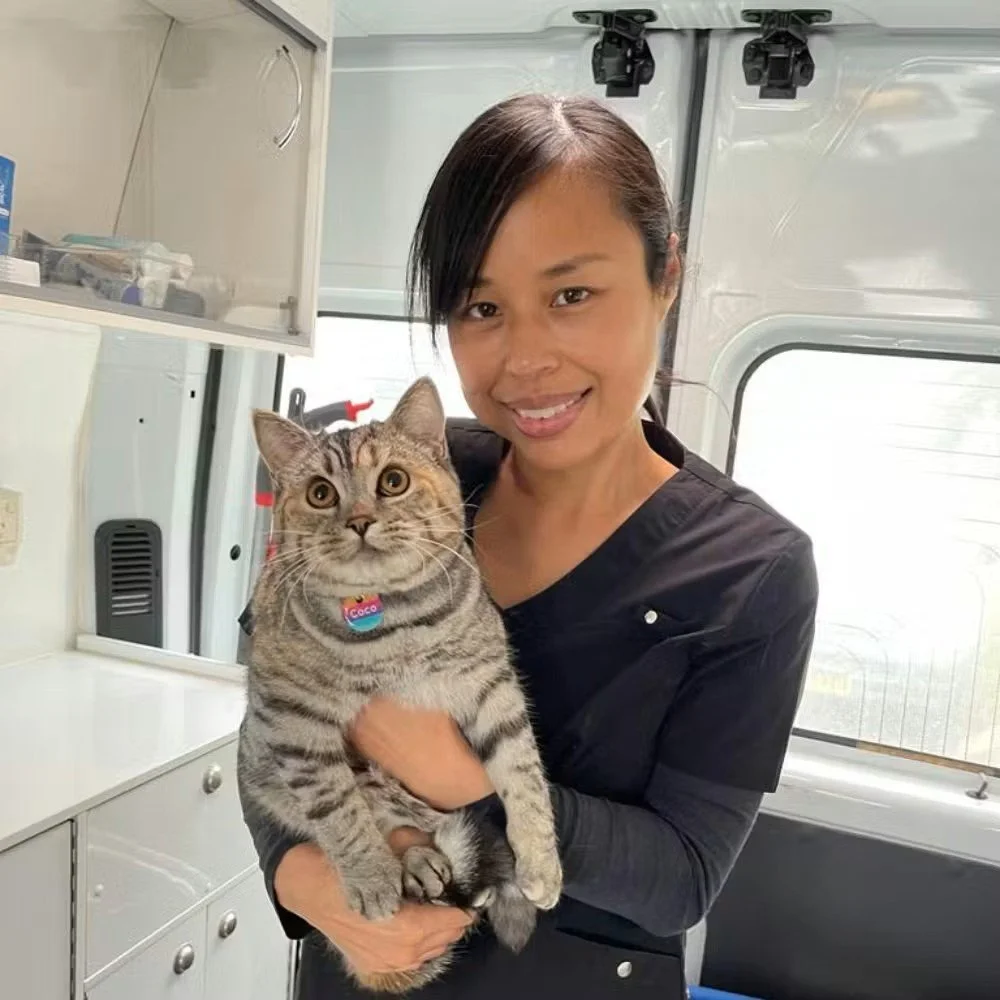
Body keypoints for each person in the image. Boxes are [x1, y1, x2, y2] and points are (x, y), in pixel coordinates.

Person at [239, 93, 819, 999]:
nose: (525, 359)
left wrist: (462, 780)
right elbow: (268, 715)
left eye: (572, 294)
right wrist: (299, 873)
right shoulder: (421, 477)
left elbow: (682, 881)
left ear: (667, 275)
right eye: (479, 306)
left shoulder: (749, 568)